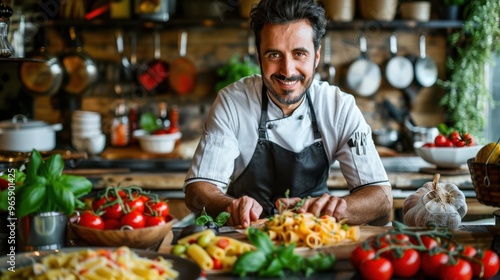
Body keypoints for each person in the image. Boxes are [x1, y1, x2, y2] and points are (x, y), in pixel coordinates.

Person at [183, 0, 393, 227]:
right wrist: (229, 207)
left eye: (299, 54)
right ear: (259, 56)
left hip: (318, 236)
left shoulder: (338, 107)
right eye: (274, 55)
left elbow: (381, 197)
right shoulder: (233, 102)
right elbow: (198, 187)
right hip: (245, 239)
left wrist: (340, 209)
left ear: (317, 56)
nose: (287, 70)